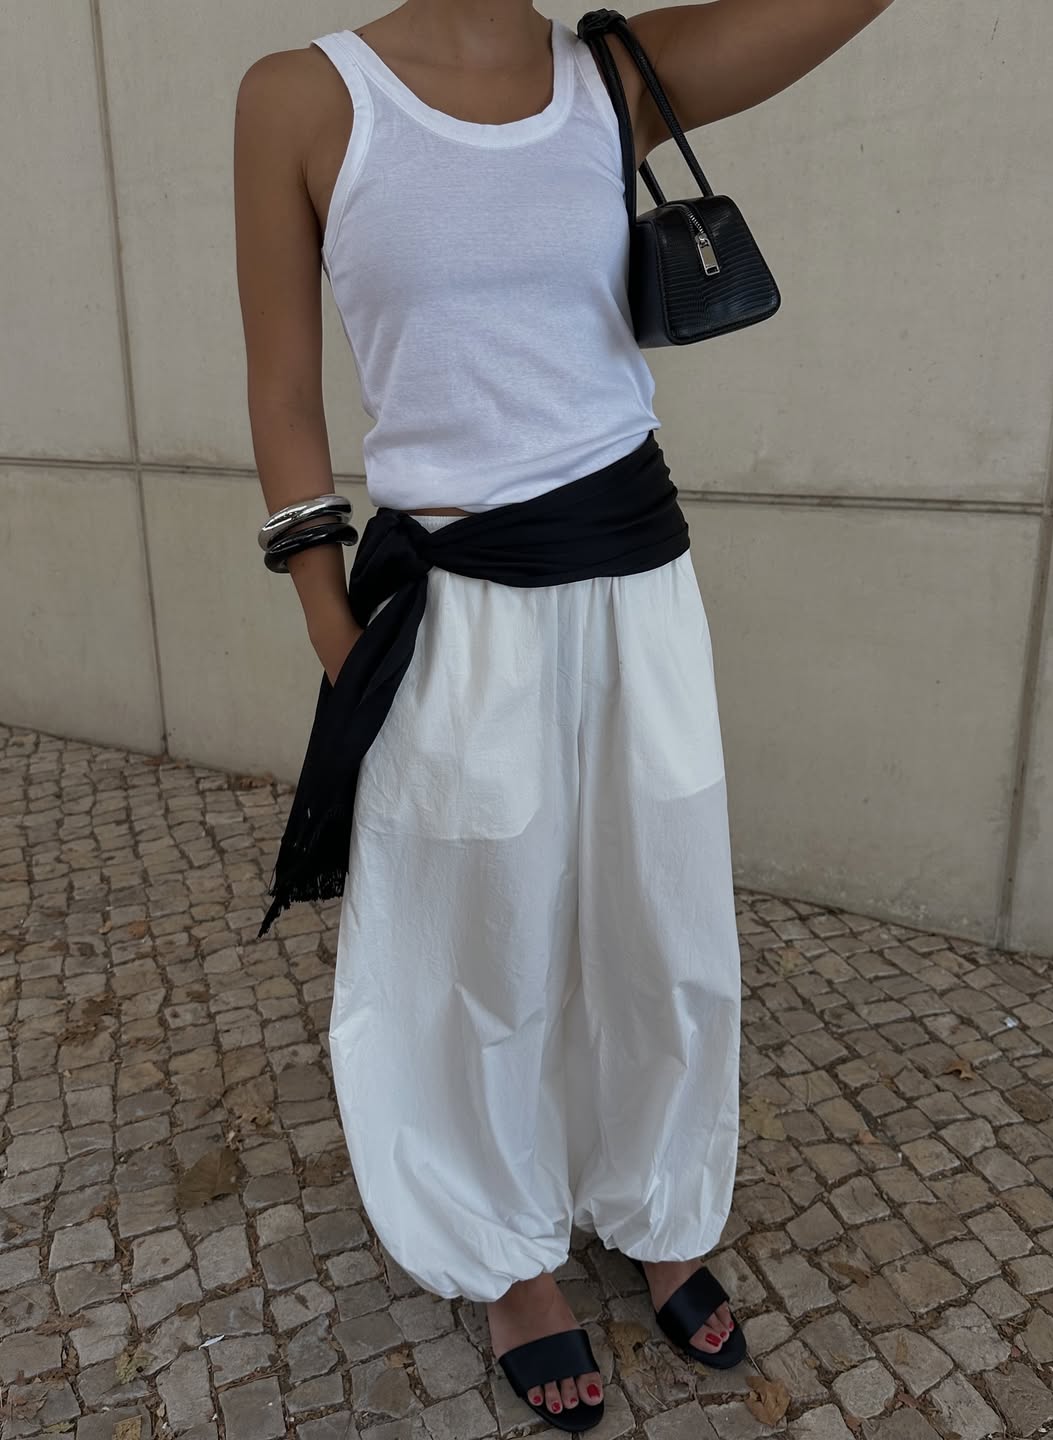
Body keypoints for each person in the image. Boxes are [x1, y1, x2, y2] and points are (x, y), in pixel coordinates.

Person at [233, 0, 895, 1429]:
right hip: (454, 606)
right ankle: (509, 1253)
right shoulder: (301, 96)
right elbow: (282, 385)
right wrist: (327, 619)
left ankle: (659, 1201)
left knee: (659, 922)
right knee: (482, 932)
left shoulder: (612, 74)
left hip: (636, 584)